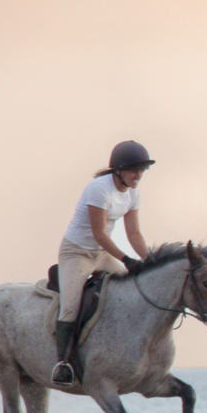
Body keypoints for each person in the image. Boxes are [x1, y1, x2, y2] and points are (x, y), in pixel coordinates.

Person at [51, 141, 153, 386]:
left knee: (128, 292)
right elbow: (99, 233)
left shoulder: (133, 194)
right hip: (76, 252)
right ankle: (62, 364)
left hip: (102, 253)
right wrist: (127, 259)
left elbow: (134, 235)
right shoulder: (99, 189)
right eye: (134, 170)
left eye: (142, 170)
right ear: (118, 169)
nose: (138, 175)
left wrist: (150, 262)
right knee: (70, 307)